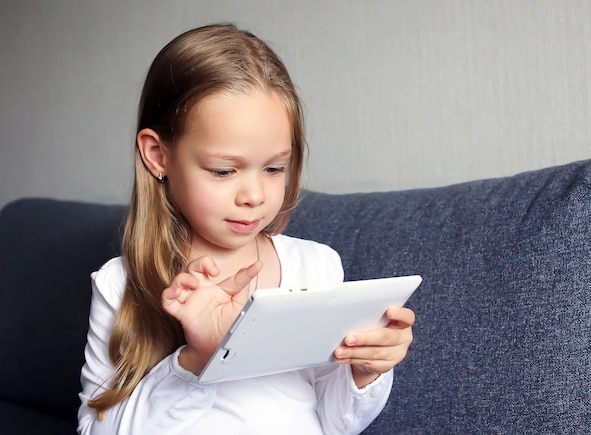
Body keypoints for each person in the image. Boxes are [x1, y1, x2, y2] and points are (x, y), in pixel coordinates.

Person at [77, 23, 415, 434]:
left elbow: (335, 424)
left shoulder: (316, 267)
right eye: (223, 171)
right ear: (157, 156)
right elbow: (97, 428)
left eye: (274, 168)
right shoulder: (121, 284)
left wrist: (364, 372)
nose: (254, 195)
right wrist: (199, 360)